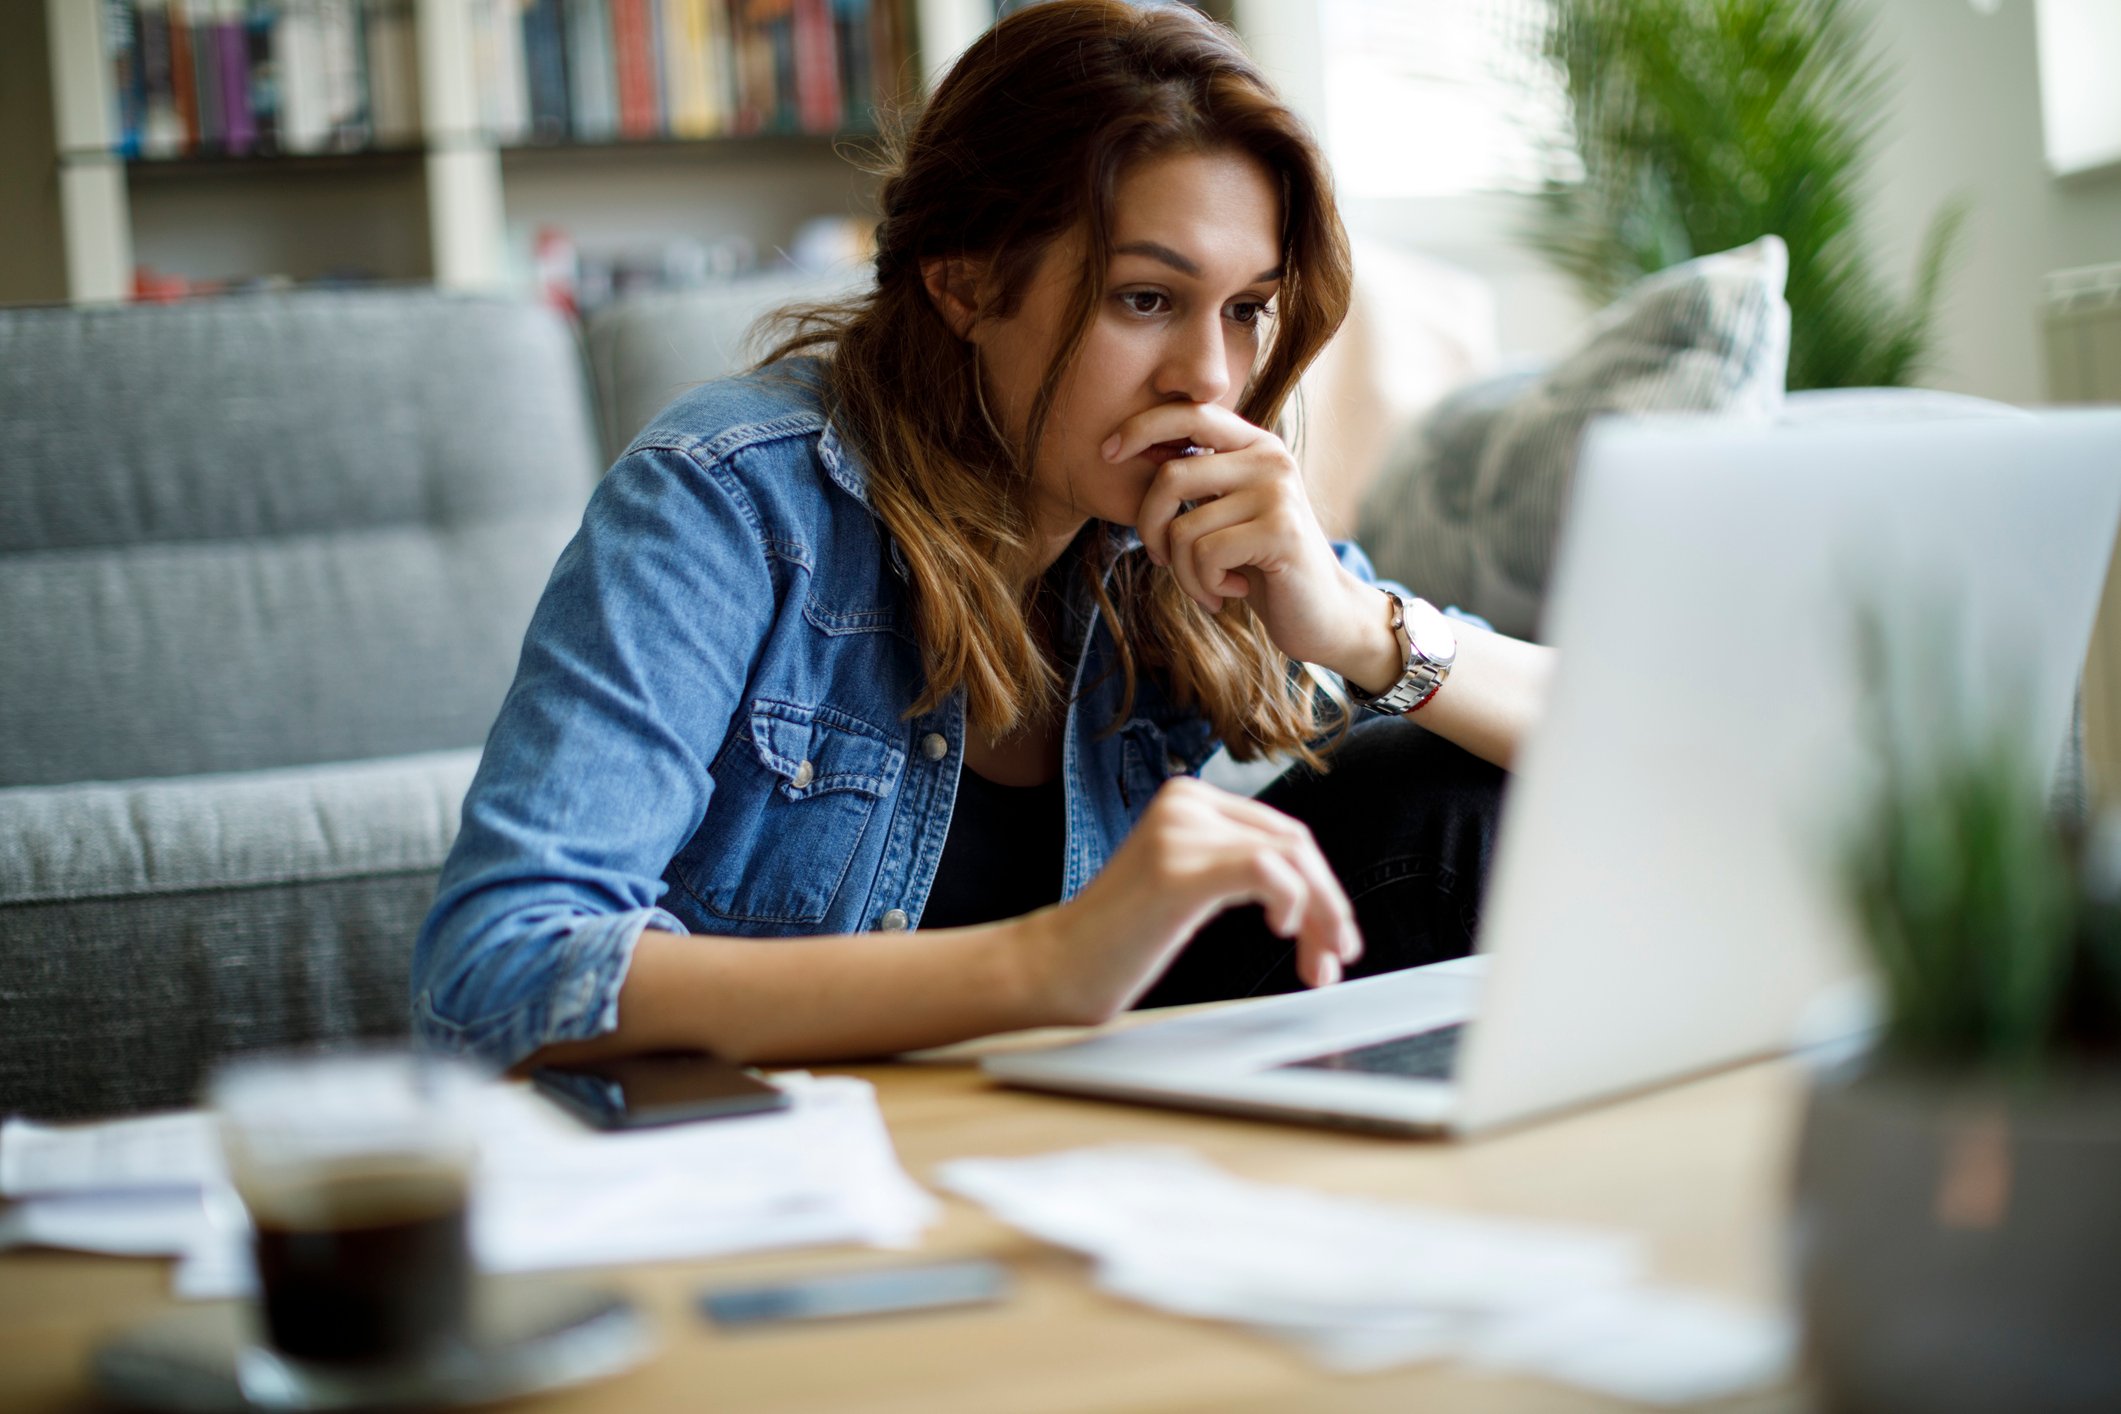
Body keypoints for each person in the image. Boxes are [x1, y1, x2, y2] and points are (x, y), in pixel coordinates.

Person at [411, 0, 1555, 1072]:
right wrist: (1049, 965)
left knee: (1448, 791)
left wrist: (1362, 628)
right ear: (964, 281)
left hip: (1067, 1122)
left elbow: (1615, 746)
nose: (1210, 375)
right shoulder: (730, 499)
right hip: (805, 1144)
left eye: (1246, 310)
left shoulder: (1166, 528)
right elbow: (496, 970)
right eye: (1144, 299)